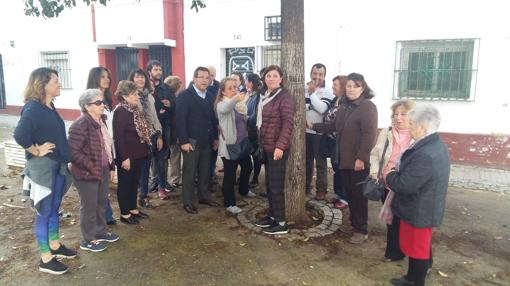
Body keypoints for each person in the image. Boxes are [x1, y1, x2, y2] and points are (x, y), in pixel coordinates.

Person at [14, 67, 76, 274]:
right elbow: (20, 134)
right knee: (44, 211)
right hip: (43, 169)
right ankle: (45, 258)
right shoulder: (32, 108)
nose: (59, 84)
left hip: (57, 165)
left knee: (54, 207)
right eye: (55, 81)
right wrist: (35, 149)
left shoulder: (48, 106)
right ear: (43, 85)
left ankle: (55, 246)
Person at [385, 104, 450, 286]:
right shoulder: (433, 143)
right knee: (414, 248)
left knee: (419, 251)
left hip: (421, 209)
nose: (408, 126)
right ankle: (410, 278)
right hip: (420, 206)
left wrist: (389, 174)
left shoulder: (426, 153)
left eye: (412, 124)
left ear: (422, 127)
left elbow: (405, 185)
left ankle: (416, 282)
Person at [312, 72, 378, 244]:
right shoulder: (345, 106)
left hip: (357, 161)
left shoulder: (367, 107)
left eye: (355, 86)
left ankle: (361, 230)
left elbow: (369, 135)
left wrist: (361, 158)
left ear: (362, 88)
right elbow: (334, 126)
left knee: (358, 196)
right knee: (349, 194)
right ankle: (352, 223)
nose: (350, 89)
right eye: (348, 86)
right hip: (344, 158)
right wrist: (314, 126)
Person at [68, 89, 120, 253]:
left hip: (102, 169)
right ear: (87, 106)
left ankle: (100, 231)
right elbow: (73, 153)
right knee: (89, 205)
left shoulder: (100, 121)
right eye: (98, 103)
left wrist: (111, 167)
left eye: (102, 101)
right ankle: (88, 239)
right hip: (86, 173)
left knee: (101, 203)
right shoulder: (80, 125)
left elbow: (106, 147)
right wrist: (92, 166)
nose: (102, 105)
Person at [370, 100, 415, 263]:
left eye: (403, 114)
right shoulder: (387, 132)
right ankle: (394, 252)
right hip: (387, 183)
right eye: (396, 114)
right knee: (392, 221)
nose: (398, 117)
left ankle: (418, 257)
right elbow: (375, 154)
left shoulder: (417, 135)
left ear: (412, 116)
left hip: (405, 186)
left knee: (408, 222)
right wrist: (375, 171)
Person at [253, 65, 296, 235]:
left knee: (277, 186)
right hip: (266, 146)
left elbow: (287, 124)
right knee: (270, 185)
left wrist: (280, 146)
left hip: (278, 148)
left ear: (281, 79)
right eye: (268, 75)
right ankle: (272, 217)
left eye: (275, 75)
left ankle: (281, 222)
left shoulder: (285, 97)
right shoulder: (265, 96)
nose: (271, 78)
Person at [176, 66, 220, 214]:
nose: (204, 80)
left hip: (207, 141)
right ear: (194, 78)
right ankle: (187, 202)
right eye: (201, 77)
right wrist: (183, 141)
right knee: (189, 172)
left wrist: (215, 138)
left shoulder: (210, 95)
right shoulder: (185, 96)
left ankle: (204, 196)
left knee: (205, 171)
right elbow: (180, 120)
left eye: (207, 78)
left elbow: (213, 120)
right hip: (191, 141)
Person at [112, 80, 151, 224]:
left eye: (137, 93)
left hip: (139, 153)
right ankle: (124, 213)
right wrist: (124, 158)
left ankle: (133, 209)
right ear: (124, 96)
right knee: (125, 184)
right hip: (128, 156)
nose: (137, 96)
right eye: (134, 94)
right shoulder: (120, 111)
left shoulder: (134, 109)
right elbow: (119, 137)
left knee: (135, 183)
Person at [216, 77, 254, 214]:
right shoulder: (221, 104)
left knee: (248, 167)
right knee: (230, 175)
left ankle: (243, 190)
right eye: (230, 88)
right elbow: (226, 109)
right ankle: (229, 203)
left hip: (242, 143)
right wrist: (236, 99)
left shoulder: (238, 104)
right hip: (230, 146)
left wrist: (241, 101)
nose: (234, 90)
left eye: (235, 87)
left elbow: (245, 112)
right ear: (223, 92)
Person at [128, 69, 164, 206]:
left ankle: (144, 195)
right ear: (132, 80)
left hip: (153, 134)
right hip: (139, 137)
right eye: (137, 77)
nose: (140, 80)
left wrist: (159, 134)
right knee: (141, 168)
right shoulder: (130, 97)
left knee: (148, 165)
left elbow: (154, 116)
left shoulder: (149, 95)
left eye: (142, 77)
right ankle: (141, 196)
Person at [86, 66, 117, 225]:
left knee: (105, 183)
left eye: (108, 77)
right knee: (99, 185)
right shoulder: (90, 99)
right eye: (103, 77)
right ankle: (103, 218)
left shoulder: (107, 98)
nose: (107, 80)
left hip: (109, 143)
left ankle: (107, 215)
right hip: (98, 146)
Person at [305, 63, 335, 200]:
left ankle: (321, 190)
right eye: (315, 73)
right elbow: (301, 106)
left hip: (319, 133)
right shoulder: (304, 87)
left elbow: (323, 109)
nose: (317, 77)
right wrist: (312, 104)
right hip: (304, 131)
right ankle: (305, 186)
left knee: (320, 162)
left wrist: (311, 95)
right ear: (311, 73)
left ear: (324, 76)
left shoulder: (328, 91)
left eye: (320, 74)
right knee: (306, 161)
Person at [146, 60, 173, 196]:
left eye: (160, 70)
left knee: (162, 155)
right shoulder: (145, 88)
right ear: (149, 71)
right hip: (149, 127)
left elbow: (173, 105)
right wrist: (158, 111)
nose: (159, 72)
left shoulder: (165, 88)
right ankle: (155, 182)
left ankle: (162, 184)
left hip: (164, 125)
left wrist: (169, 104)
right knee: (151, 156)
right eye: (156, 69)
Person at [323, 75, 348, 209]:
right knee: (336, 168)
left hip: (342, 142)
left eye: (335, 85)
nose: (332, 87)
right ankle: (339, 194)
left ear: (342, 87)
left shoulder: (346, 103)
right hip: (332, 140)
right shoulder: (335, 100)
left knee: (342, 169)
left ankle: (345, 198)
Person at [164, 75, 183, 188]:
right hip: (174, 132)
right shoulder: (173, 98)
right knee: (175, 156)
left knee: (174, 156)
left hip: (173, 132)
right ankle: (174, 179)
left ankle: (174, 179)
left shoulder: (171, 97)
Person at [245, 73, 263, 188]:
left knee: (256, 156)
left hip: (254, 131)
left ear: (251, 83)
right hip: (248, 130)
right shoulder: (250, 95)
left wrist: (244, 119)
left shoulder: (258, 97)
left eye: (246, 80)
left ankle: (255, 178)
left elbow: (255, 116)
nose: (245, 83)